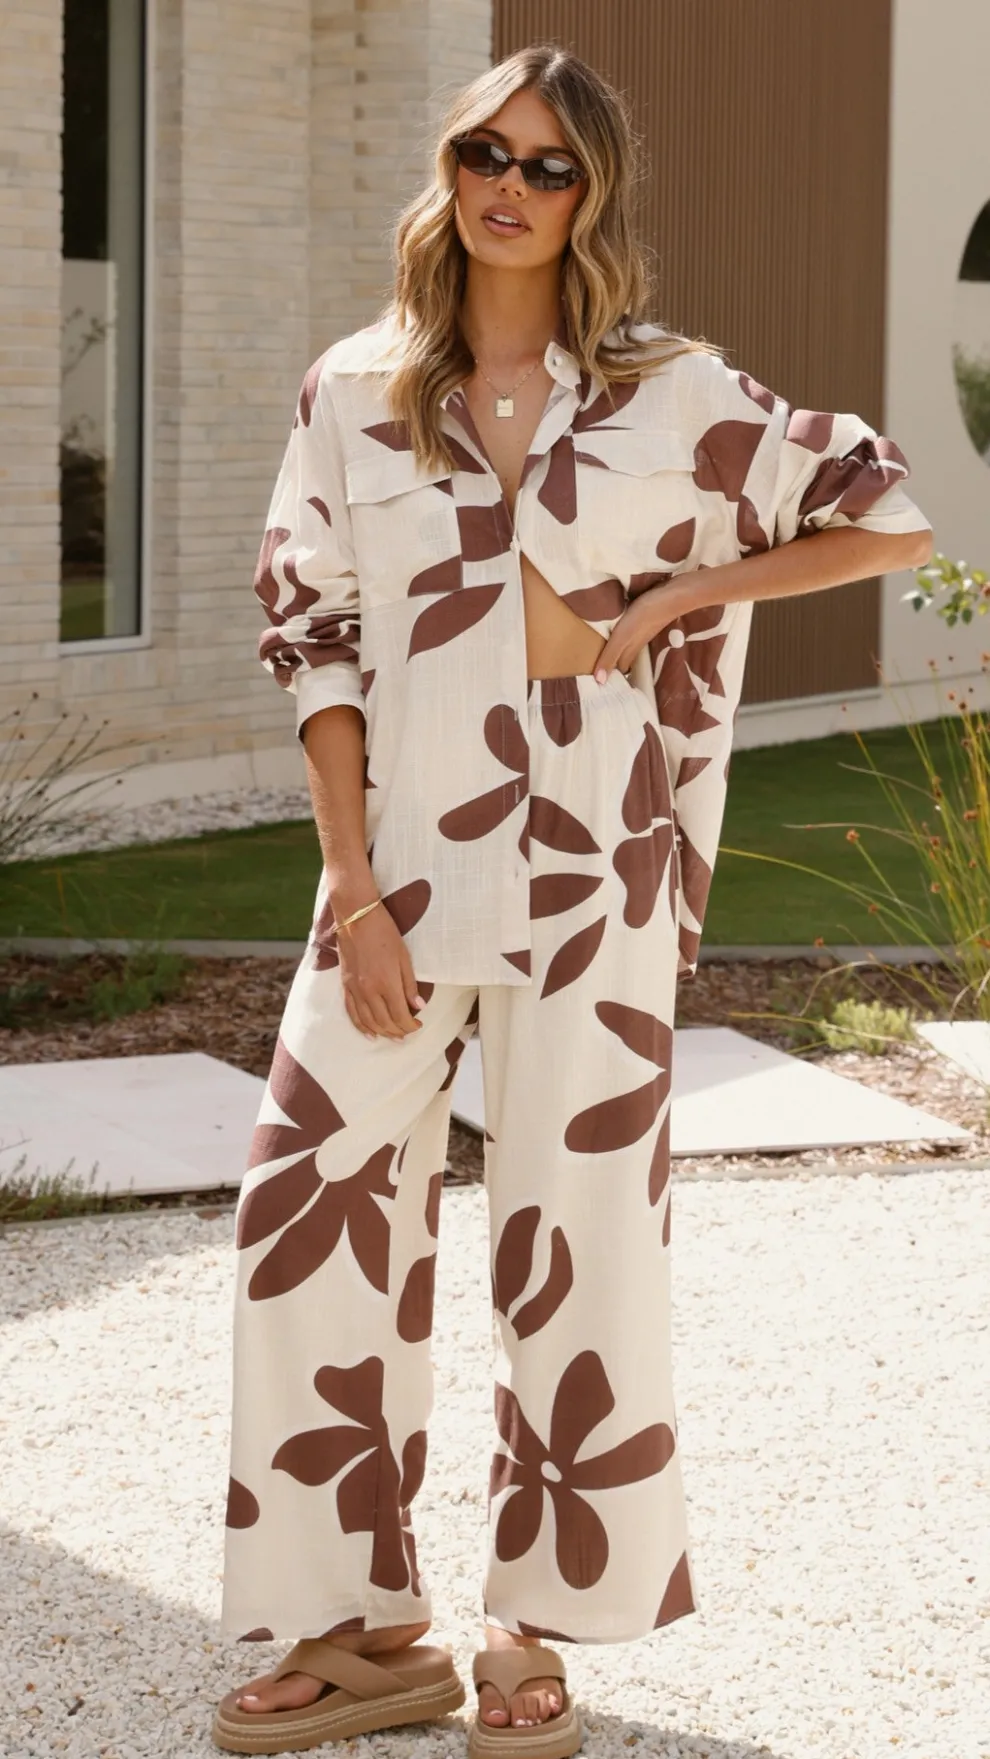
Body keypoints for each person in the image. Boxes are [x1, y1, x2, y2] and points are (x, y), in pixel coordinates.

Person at [212, 42, 933, 1759]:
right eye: (487, 151)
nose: (510, 187)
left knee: (577, 1242)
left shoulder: (672, 393)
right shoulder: (355, 390)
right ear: (449, 167)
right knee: (301, 1211)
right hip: (400, 870)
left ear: (590, 192)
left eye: (548, 165)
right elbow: (315, 638)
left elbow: (883, 516)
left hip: (596, 866)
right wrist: (351, 885)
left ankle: (525, 1624)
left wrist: (682, 595)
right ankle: (357, 1627)